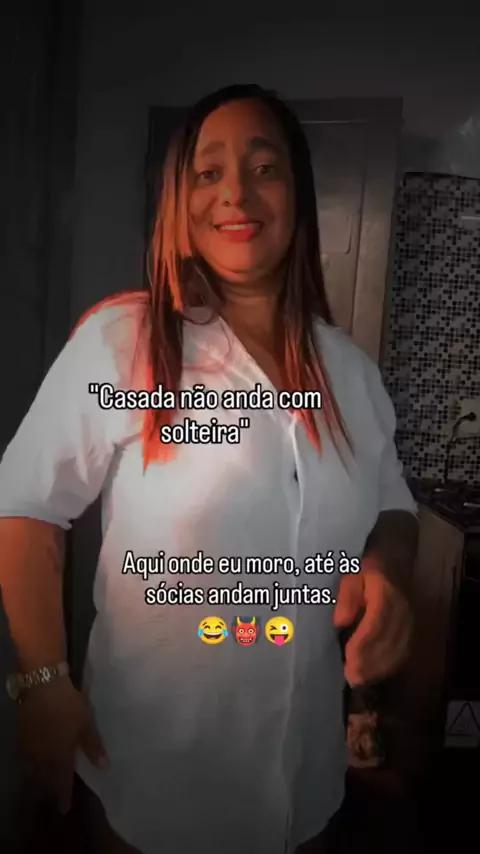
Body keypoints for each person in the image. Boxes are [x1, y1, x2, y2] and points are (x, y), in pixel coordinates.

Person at [0, 84, 418, 854]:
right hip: (152, 782)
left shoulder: (351, 374)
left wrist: (387, 571)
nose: (236, 193)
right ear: (180, 203)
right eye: (208, 172)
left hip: (306, 784)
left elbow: (394, 503)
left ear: (297, 195)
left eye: (264, 168)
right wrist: (40, 680)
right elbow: (26, 507)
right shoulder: (123, 341)